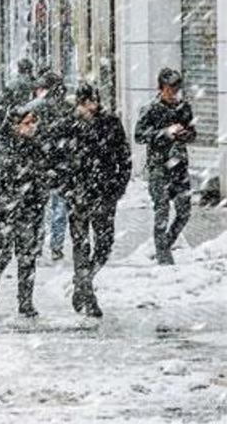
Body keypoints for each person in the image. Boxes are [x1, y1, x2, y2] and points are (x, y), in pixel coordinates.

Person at [64, 84, 131, 317]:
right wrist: (67, 188)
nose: (90, 107)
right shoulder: (69, 125)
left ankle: (83, 281)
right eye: (85, 103)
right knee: (81, 245)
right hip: (79, 195)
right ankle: (87, 294)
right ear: (78, 104)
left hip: (104, 193)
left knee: (104, 244)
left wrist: (119, 186)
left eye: (93, 102)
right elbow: (57, 159)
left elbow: (124, 156)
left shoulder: (110, 123)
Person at [0, 104, 49, 317]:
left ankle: (25, 303)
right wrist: (10, 205)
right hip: (2, 213)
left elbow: (41, 177)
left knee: (27, 257)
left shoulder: (34, 147)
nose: (32, 127)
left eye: (33, 123)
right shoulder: (2, 150)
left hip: (27, 211)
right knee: (0, 255)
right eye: (27, 123)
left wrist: (38, 199)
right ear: (15, 125)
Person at [135, 68, 197, 265]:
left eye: (176, 89)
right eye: (170, 89)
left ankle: (166, 243)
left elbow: (193, 133)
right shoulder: (151, 109)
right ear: (161, 88)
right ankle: (163, 256)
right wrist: (164, 133)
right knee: (162, 210)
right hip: (159, 167)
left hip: (179, 167)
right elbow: (139, 135)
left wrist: (184, 134)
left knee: (184, 212)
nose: (173, 93)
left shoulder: (184, 108)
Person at [34, 69, 73, 261]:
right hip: (61, 164)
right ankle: (55, 246)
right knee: (59, 208)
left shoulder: (38, 108)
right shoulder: (67, 108)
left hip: (44, 164)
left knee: (42, 208)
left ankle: (39, 244)